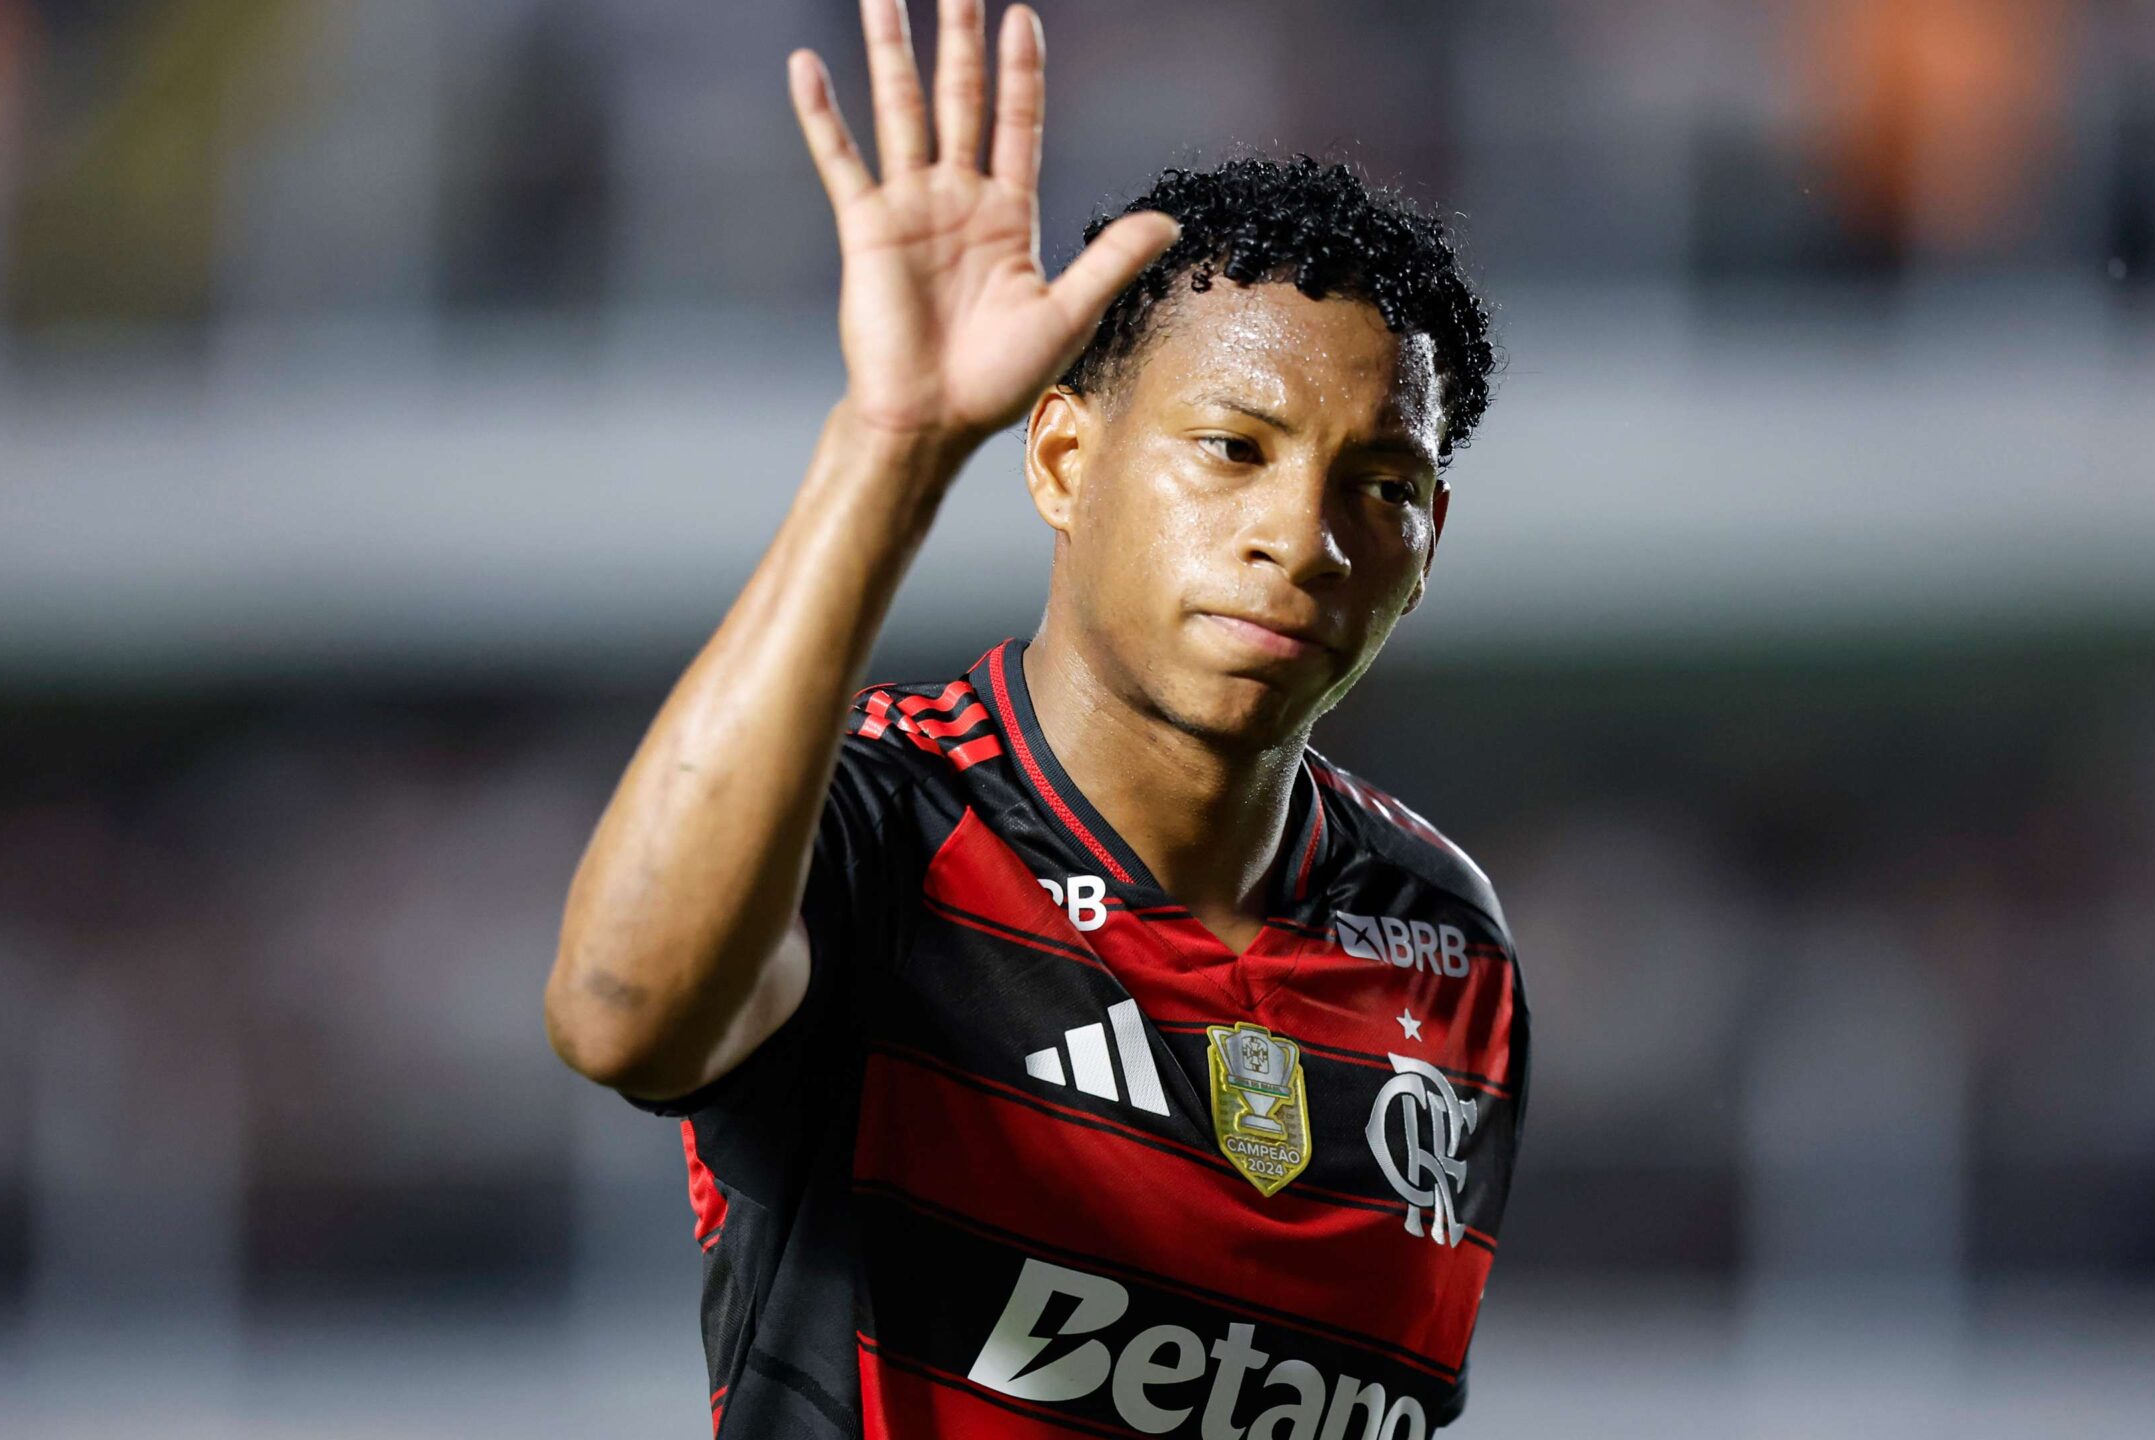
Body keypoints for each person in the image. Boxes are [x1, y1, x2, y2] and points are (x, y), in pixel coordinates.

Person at [544, 0, 1525, 1434]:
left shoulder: (1446, 939)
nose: (1302, 538)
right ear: (1064, 459)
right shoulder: (881, 824)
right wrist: (892, 450)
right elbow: (617, 1015)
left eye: (1378, 487)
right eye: (1232, 448)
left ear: (1428, 541)